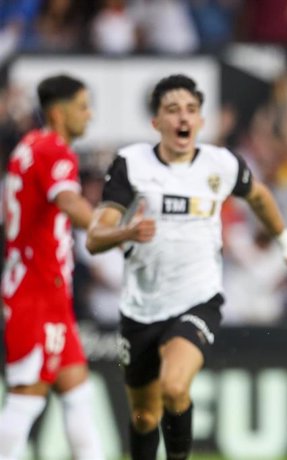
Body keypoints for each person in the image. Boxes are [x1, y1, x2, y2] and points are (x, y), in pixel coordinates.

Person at [85, 74, 287, 460]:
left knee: (174, 388)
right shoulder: (131, 165)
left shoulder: (220, 164)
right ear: (156, 122)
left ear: (201, 121)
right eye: (172, 110)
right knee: (143, 415)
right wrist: (127, 232)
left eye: (190, 110)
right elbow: (94, 236)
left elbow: (258, 196)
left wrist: (286, 244)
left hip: (197, 299)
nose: (182, 118)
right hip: (141, 307)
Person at [0, 75, 104, 460]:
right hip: (36, 293)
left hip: (47, 291)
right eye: (82, 106)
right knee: (26, 399)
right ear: (59, 113)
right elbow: (69, 202)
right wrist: (107, 226)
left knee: (78, 394)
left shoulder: (26, 147)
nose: (89, 114)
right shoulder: (54, 151)